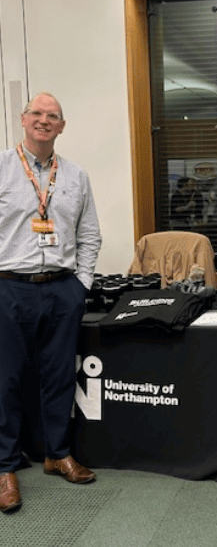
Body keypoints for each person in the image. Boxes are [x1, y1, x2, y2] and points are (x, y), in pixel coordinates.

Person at [0, 92, 102, 514]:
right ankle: (5, 468)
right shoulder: (3, 168)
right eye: (37, 114)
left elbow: (90, 235)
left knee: (59, 376)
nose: (44, 121)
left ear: (62, 127)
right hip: (10, 287)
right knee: (6, 380)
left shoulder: (75, 176)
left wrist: (81, 284)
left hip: (62, 288)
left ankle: (57, 453)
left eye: (53, 116)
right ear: (23, 120)